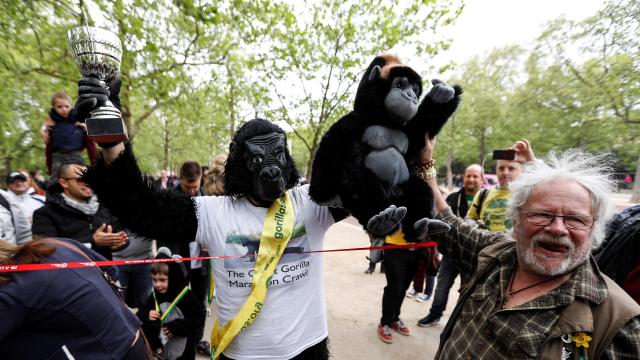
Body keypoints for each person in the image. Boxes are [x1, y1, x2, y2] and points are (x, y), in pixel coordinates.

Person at [420, 136, 640, 359]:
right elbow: (448, 224)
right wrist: (426, 164)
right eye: (542, 214)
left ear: (595, 229)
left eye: (575, 219)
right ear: (516, 220)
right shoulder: (495, 252)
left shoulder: (619, 324)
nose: (557, 229)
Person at [0, 238, 147, 358]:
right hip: (131, 334)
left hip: (105, 352)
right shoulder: (54, 244)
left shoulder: (9, 292)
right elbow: (110, 270)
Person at [418, 163, 483, 326]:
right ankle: (435, 314)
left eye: (475, 176)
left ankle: (459, 322)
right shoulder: (453, 198)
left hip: (474, 257)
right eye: (468, 175)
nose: (471, 179)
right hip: (451, 253)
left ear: (482, 179)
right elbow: (441, 218)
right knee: (441, 287)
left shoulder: (486, 199)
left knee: (467, 291)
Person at [32, 163, 128, 259]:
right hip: (69, 272)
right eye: (81, 180)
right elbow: (45, 249)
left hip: (104, 271)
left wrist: (117, 243)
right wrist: (92, 242)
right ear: (63, 183)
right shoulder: (44, 213)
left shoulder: (105, 206)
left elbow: (122, 236)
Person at [139, 248, 204, 360]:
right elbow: (138, 316)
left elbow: (198, 319)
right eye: (154, 280)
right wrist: (146, 315)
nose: (158, 284)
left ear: (172, 278)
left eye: (163, 280)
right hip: (160, 354)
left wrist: (178, 327)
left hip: (184, 353)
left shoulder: (186, 295)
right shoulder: (153, 296)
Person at [40, 92, 97, 183]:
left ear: (71, 106)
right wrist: (49, 168)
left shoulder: (79, 122)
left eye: (67, 106)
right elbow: (49, 148)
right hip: (58, 157)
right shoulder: (51, 125)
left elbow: (90, 144)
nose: (64, 109)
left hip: (76, 156)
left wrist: (95, 163)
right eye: (59, 107)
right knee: (56, 181)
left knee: (80, 180)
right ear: (54, 108)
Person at [466, 154, 524, 232]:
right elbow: (469, 218)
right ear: (496, 170)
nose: (505, 173)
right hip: (486, 243)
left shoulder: (525, 194)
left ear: (521, 171)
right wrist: (475, 225)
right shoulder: (483, 194)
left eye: (511, 168)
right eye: (501, 168)